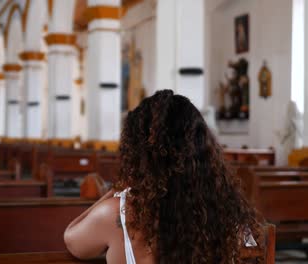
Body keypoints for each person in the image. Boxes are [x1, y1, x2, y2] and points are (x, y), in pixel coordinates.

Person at [64, 90, 260, 263]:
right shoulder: (227, 211)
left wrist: (112, 193)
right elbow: (250, 253)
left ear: (138, 153)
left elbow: (72, 240)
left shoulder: (117, 214)